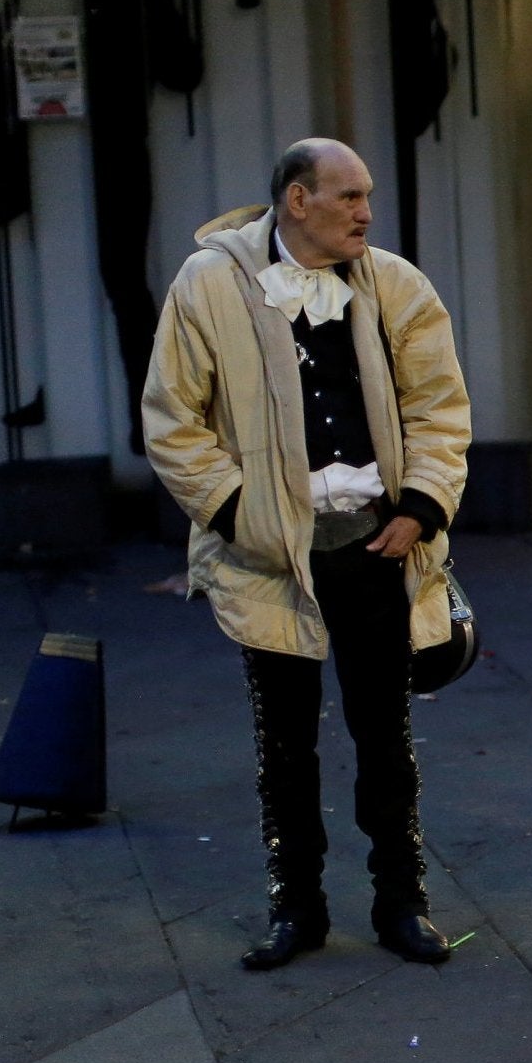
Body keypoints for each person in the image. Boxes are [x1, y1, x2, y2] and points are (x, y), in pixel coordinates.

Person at [142, 139, 471, 972]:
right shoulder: (208, 285)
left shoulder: (397, 284)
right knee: (284, 746)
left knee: (385, 740)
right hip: (268, 558)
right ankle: (298, 909)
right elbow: (173, 423)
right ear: (296, 200)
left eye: (367, 195)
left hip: (376, 545)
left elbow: (440, 408)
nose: (367, 211)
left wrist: (423, 508)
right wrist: (244, 518)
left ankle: (403, 902)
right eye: (348, 196)